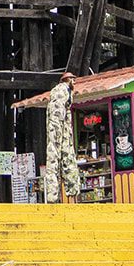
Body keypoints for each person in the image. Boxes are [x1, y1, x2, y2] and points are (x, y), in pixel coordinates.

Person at [44, 72, 82, 204]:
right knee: (59, 155)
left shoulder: (65, 92)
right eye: (73, 79)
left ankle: (63, 195)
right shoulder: (61, 90)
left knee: (64, 157)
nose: (75, 82)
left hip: (62, 126)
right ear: (67, 80)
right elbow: (57, 112)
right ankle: (58, 196)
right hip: (58, 125)